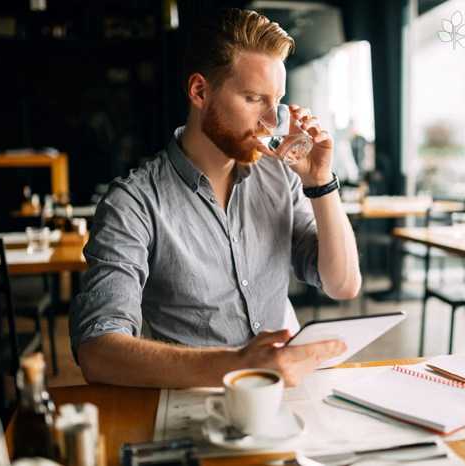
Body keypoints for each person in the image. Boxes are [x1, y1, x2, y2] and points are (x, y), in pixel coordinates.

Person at [70, 9, 361, 388]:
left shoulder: (279, 175)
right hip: (195, 403)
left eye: (277, 101)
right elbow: (97, 351)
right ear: (200, 92)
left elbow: (342, 285)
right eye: (254, 98)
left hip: (284, 395)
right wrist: (238, 364)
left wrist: (320, 182)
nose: (271, 121)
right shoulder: (133, 203)